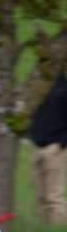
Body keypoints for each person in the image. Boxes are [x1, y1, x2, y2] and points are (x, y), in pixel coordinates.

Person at [29, 74, 67, 224]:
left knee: (53, 197)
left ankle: (56, 230)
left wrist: (60, 145)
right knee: (41, 195)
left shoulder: (64, 87)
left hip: (54, 147)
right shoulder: (40, 86)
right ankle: (47, 225)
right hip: (36, 145)